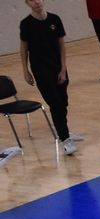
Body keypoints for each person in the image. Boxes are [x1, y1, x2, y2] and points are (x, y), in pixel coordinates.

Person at [19, 0, 79, 156]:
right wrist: (25, 70)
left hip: (58, 67)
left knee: (63, 102)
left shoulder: (55, 19)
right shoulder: (26, 24)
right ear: (27, 3)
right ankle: (65, 138)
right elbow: (24, 48)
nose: (37, 2)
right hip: (41, 70)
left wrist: (63, 68)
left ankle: (64, 131)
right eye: (32, 0)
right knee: (55, 102)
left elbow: (61, 45)